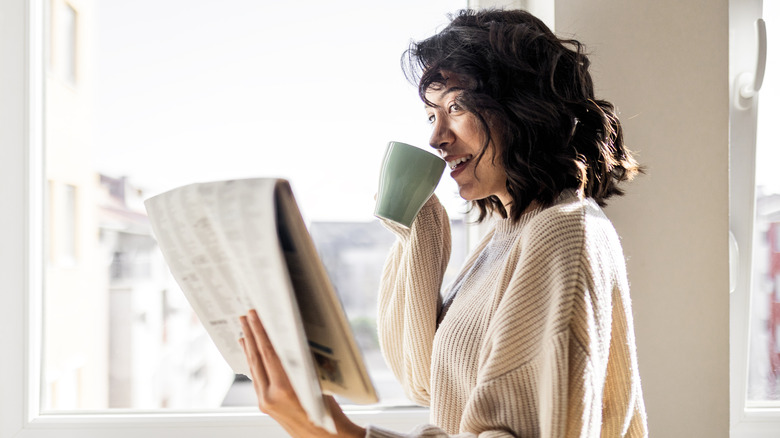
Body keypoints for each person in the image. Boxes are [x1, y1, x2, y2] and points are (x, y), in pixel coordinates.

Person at [239, 8, 648, 437]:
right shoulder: (508, 235)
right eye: (432, 115)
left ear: (523, 106)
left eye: (457, 106)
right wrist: (419, 233)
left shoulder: (561, 232)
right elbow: (425, 381)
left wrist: (329, 431)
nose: (436, 138)